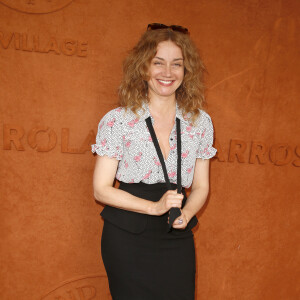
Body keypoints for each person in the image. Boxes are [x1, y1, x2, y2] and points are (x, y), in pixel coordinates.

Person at [91, 23, 217, 300]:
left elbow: (201, 187)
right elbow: (101, 189)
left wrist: (187, 213)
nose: (167, 73)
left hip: (175, 230)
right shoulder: (117, 121)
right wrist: (153, 207)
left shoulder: (200, 123)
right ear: (143, 67)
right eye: (158, 62)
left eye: (177, 64)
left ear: (187, 70)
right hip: (127, 234)